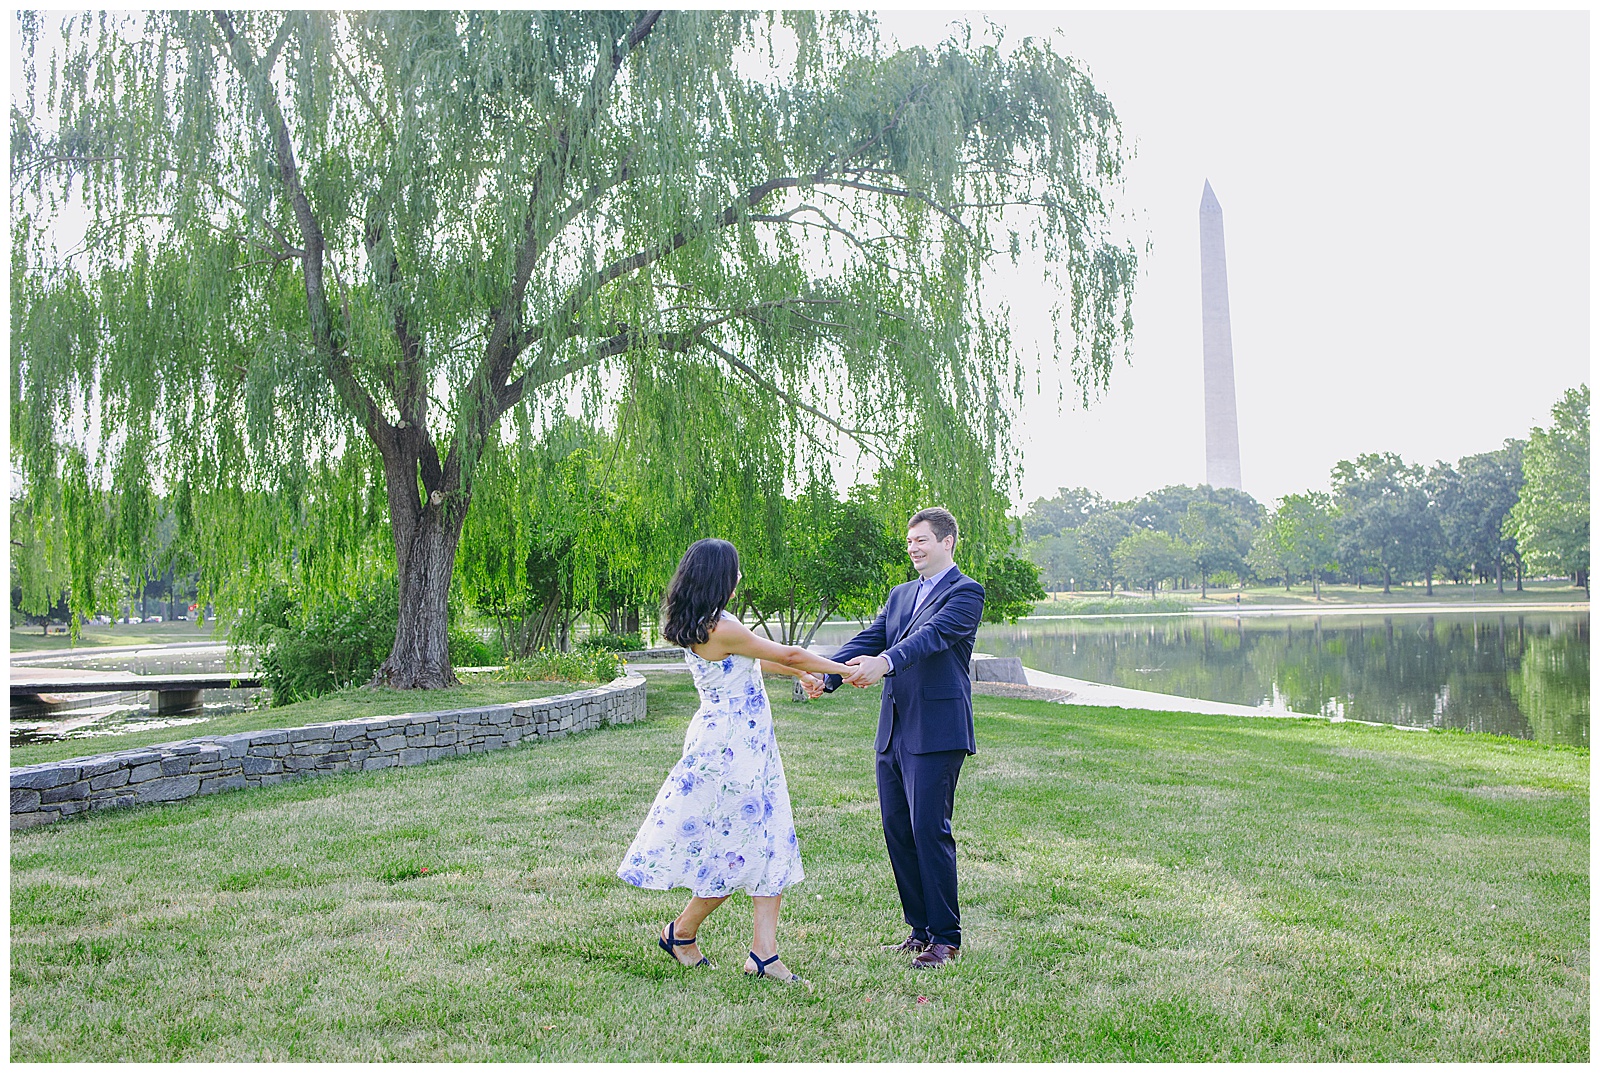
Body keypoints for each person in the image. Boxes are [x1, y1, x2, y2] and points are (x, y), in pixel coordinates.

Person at [617, 538, 849, 983]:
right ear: (721, 577)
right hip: (727, 752)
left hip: (750, 744)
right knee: (739, 847)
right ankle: (681, 931)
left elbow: (756, 661)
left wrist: (801, 674)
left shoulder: (708, 624)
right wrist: (842, 668)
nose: (741, 576)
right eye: (736, 569)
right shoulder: (719, 626)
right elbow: (786, 651)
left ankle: (764, 954)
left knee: (771, 836)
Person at [820, 507, 984, 970]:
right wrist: (827, 675)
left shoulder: (967, 593)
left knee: (929, 832)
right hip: (892, 731)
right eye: (910, 541)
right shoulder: (899, 595)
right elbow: (870, 638)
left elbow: (931, 638)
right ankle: (919, 931)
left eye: (922, 540)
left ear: (948, 541)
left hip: (937, 733)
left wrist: (886, 663)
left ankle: (946, 939)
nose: (913, 548)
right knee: (898, 831)